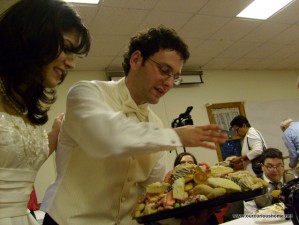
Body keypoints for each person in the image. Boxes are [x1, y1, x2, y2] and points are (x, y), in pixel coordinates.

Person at [41, 25, 227, 225]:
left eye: (175, 76)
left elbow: (150, 190)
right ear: (136, 59)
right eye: (164, 71)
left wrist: (182, 219)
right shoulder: (85, 93)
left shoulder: (155, 124)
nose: (169, 83)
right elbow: (105, 138)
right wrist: (176, 136)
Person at [0, 0, 91, 225]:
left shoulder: (22, 105)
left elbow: (15, 164)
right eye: (68, 49)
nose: (71, 64)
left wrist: (56, 134)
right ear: (34, 36)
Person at [164, 152, 219, 225]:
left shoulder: (203, 183)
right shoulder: (171, 186)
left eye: (190, 162)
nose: (186, 164)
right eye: (182, 162)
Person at [243, 148, 295, 214]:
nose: (275, 170)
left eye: (279, 166)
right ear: (262, 167)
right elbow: (250, 215)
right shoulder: (252, 185)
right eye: (270, 166)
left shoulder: (292, 180)